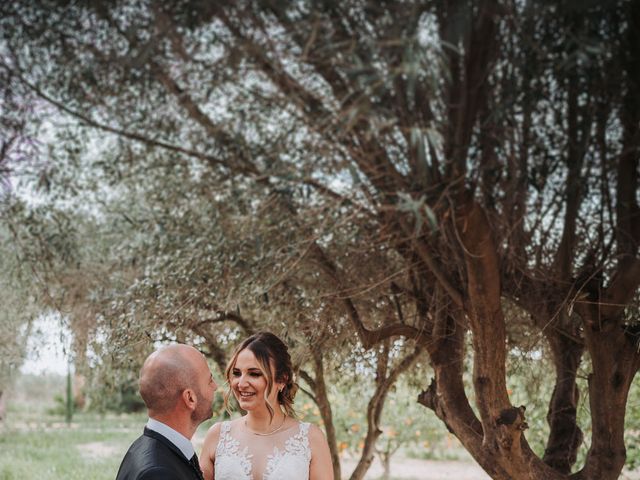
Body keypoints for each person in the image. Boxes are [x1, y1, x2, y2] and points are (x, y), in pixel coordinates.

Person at [200, 332, 333, 480]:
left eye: (254, 374)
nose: (241, 383)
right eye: (237, 373)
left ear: (282, 380)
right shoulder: (217, 436)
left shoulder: (310, 438)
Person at [116, 344, 218, 480]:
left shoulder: (144, 447)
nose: (215, 386)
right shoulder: (158, 474)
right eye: (210, 381)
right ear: (190, 398)